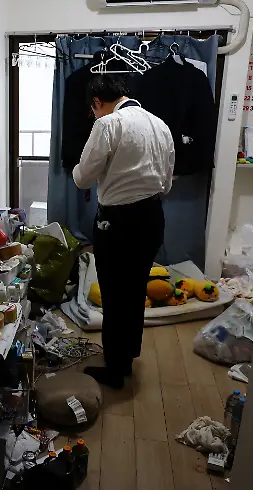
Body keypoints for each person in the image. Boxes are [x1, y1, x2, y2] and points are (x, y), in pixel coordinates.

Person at [72, 75, 175, 389]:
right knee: (133, 291)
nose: (95, 115)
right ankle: (126, 358)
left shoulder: (107, 125)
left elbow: (81, 178)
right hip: (152, 218)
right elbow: (168, 183)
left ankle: (114, 370)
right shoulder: (161, 126)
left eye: (94, 110)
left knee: (115, 295)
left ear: (97, 103)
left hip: (118, 222)